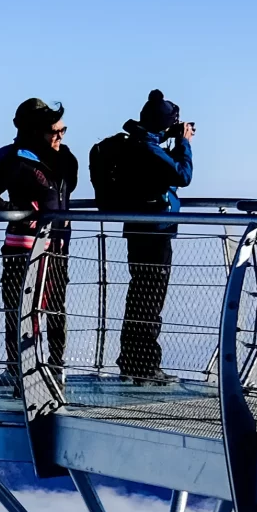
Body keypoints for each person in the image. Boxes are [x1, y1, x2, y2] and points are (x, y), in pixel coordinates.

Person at [89, 90, 196, 384]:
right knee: (149, 300)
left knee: (139, 296)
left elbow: (161, 170)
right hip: (155, 232)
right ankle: (145, 366)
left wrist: (171, 140)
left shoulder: (137, 144)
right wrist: (184, 143)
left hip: (138, 228)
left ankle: (132, 361)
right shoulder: (146, 149)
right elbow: (181, 176)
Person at [0, 98, 77, 387]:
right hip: (23, 246)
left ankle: (54, 367)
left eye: (63, 130)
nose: (60, 137)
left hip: (57, 246)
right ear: (36, 130)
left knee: (55, 308)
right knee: (20, 309)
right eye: (54, 131)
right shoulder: (13, 158)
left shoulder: (64, 157)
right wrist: (15, 208)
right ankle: (22, 369)